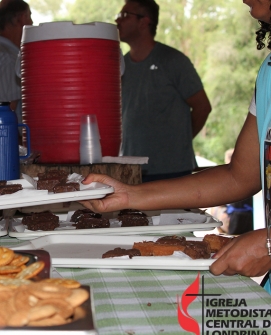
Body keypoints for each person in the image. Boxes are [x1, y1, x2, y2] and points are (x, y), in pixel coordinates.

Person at [80, 0, 271, 281]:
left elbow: (201, 106)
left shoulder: (172, 60)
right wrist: (129, 195)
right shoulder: (267, 71)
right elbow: (238, 177)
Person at [115, 0, 212, 182]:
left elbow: (203, 107)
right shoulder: (121, 66)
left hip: (172, 172)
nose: (117, 21)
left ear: (144, 22)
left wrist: (178, 143)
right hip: (132, 172)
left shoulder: (173, 61)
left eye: (124, 15)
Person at [0, 0, 33, 123]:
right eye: (29, 16)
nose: (32, 22)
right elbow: (5, 115)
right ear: (20, 19)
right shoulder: (6, 58)